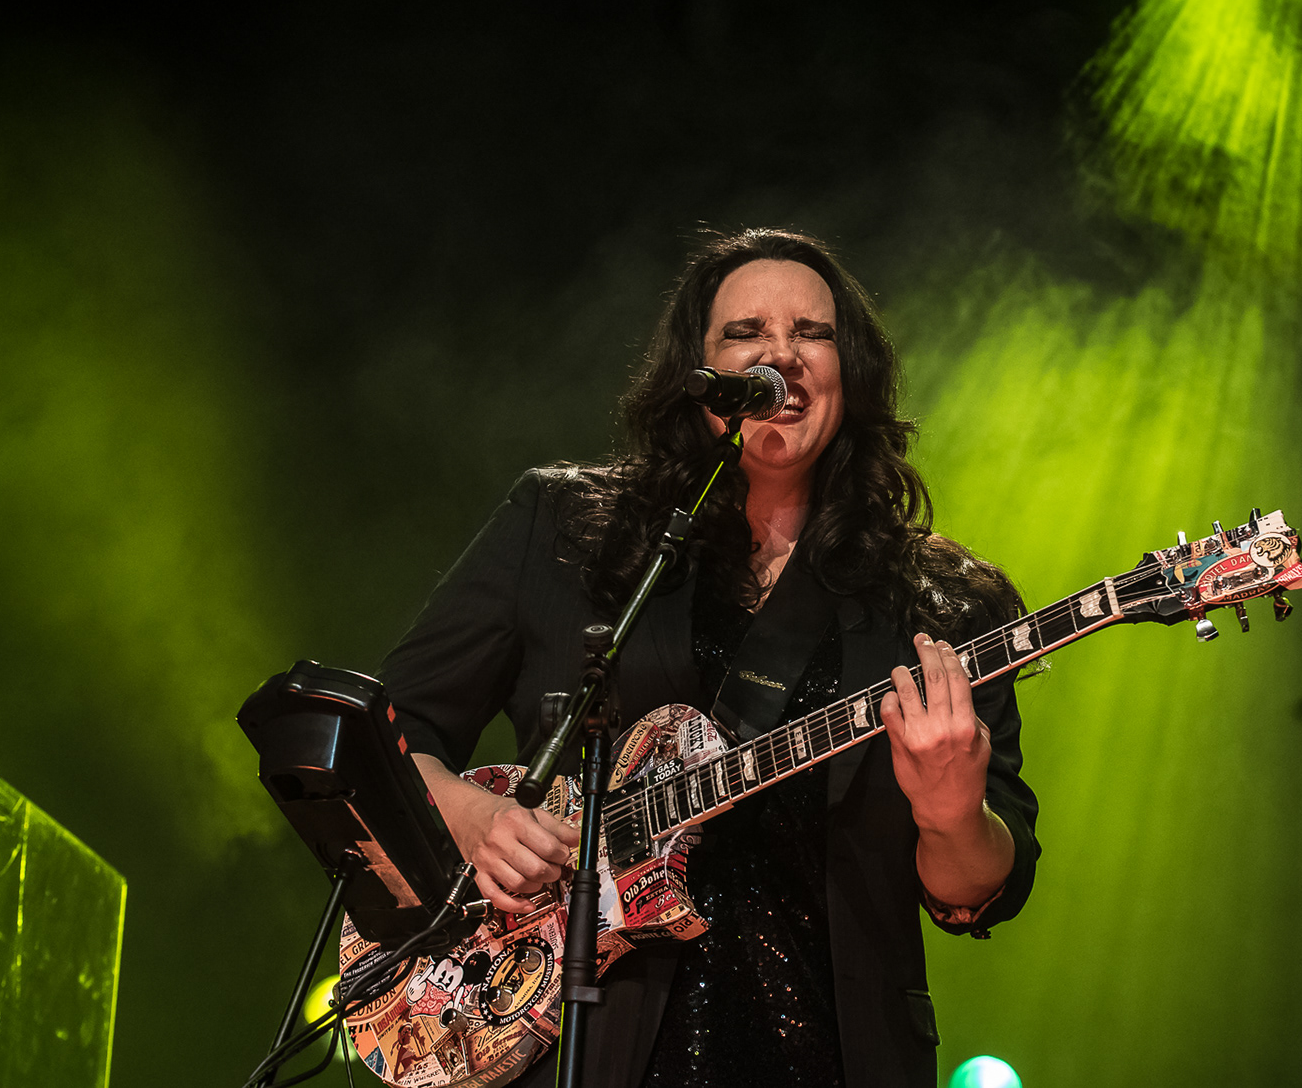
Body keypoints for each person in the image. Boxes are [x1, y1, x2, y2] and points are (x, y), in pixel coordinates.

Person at [379, 229, 1041, 1088]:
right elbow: (388, 732)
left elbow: (978, 893)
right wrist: (473, 819)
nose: (782, 354)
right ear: (696, 374)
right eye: (746, 333)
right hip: (579, 1043)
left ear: (852, 371)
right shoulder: (563, 527)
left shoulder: (942, 603)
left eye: (813, 333)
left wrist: (952, 812)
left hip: (832, 1059)